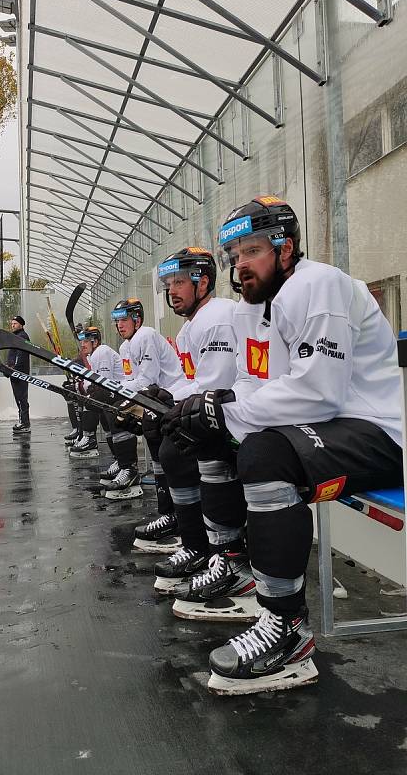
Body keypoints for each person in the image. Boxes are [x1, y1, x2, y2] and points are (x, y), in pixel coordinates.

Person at [161, 195, 403, 694]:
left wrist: (231, 414)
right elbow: (257, 384)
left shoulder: (320, 285)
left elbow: (318, 391)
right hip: (331, 427)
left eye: (252, 251)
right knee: (212, 438)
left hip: (377, 433)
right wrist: (217, 407)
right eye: (233, 256)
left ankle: (285, 628)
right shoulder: (259, 307)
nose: (240, 265)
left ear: (285, 247)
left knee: (264, 452)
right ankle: (230, 564)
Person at [133, 249, 238, 604]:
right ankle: (195, 543)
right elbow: (195, 382)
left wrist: (171, 401)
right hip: (225, 406)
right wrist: (165, 396)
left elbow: (217, 385)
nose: (171, 291)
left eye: (179, 282)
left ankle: (212, 550)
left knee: (176, 448)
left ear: (203, 282)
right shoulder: (193, 326)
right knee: (164, 436)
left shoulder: (217, 318)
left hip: (241, 414)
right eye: (168, 284)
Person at [106, 297, 187, 499]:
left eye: (124, 319)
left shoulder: (146, 335)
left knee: (122, 409)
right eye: (117, 321)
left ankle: (130, 470)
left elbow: (147, 380)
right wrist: (114, 388)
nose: (119, 325)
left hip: (173, 393)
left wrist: (113, 386)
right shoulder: (126, 347)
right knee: (118, 409)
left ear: (137, 319)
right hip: (155, 395)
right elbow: (131, 379)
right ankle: (126, 466)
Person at [69, 327, 124, 460]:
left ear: (95, 342)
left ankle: (89, 438)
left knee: (94, 399)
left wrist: (84, 387)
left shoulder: (102, 351)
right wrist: (78, 385)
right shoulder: (94, 355)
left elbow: (103, 383)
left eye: (86, 341)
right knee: (99, 408)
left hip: (122, 393)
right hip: (114, 392)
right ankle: (118, 459)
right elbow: (94, 381)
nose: (82, 344)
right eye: (82, 341)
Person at [6, 316, 31, 434]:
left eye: (15, 323)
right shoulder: (16, 336)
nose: (13, 325)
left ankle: (24, 423)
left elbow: (20, 357)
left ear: (21, 324)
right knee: (20, 398)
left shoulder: (22, 337)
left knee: (21, 398)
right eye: (12, 324)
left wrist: (14, 371)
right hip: (16, 373)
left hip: (19, 373)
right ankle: (23, 421)